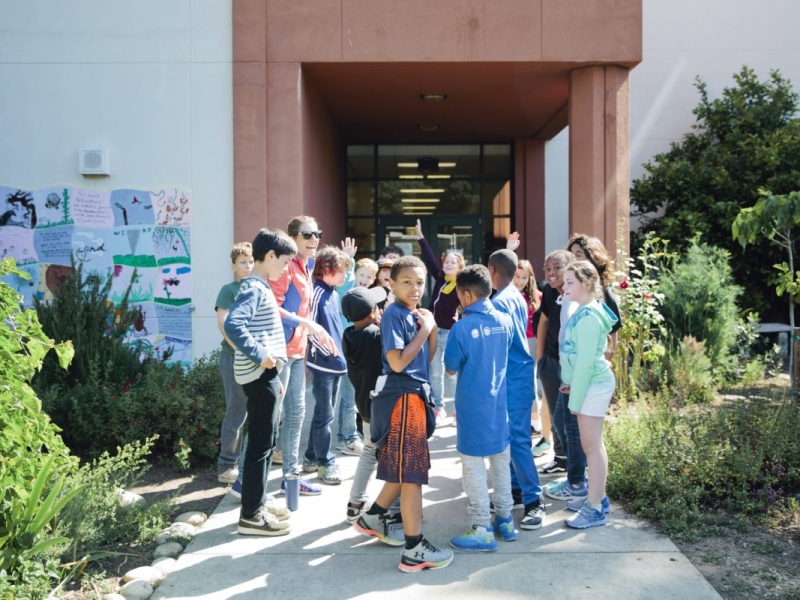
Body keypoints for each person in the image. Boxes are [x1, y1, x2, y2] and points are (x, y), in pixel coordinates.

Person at [353, 256, 454, 573]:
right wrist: (425, 330)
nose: (414, 288)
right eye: (407, 282)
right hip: (403, 398)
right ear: (392, 285)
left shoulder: (413, 314)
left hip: (414, 396)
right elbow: (398, 362)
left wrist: (429, 327)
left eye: (420, 282)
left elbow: (426, 357)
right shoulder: (395, 314)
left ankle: (373, 517)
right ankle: (414, 549)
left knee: (405, 469)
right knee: (412, 476)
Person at [223, 228, 295, 536]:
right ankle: (251, 516)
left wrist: (274, 373)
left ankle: (257, 503)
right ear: (270, 256)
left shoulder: (260, 286)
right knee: (260, 446)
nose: (286, 268)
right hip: (259, 373)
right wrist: (262, 356)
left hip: (266, 375)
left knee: (265, 443)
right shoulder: (255, 288)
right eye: (285, 261)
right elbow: (233, 324)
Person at [444, 264, 516, 551]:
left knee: (474, 468)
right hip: (499, 407)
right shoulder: (505, 320)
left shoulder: (461, 327)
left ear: (465, 295)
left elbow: (450, 368)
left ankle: (481, 527)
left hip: (472, 409)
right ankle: (506, 521)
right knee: (501, 464)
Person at [271, 216, 338, 497]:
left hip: (297, 352)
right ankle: (243, 478)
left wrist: (312, 333)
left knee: (296, 415)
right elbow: (272, 307)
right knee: (270, 417)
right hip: (279, 353)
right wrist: (306, 323)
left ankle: (291, 478)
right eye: (307, 234)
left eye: (317, 234)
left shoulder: (307, 266)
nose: (314, 240)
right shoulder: (286, 266)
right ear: (293, 238)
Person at [488, 249, 546, 531]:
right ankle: (516, 490)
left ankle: (534, 499)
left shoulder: (499, 302)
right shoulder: (514, 295)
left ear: (491, 271)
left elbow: (499, 346)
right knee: (512, 439)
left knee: (519, 441)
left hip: (512, 378)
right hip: (517, 376)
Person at [558, 261, 617, 528]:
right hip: (589, 384)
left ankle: (594, 509)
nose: (564, 287)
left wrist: (575, 399)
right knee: (594, 446)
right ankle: (598, 498)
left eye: (570, 282)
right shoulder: (586, 311)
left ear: (587, 283)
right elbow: (580, 358)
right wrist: (571, 383)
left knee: (591, 448)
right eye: (565, 282)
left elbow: (585, 364)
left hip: (594, 385)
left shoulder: (589, 317)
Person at [341, 285, 403, 526]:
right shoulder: (375, 335)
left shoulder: (349, 335)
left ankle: (355, 503)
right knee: (396, 455)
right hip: (384, 407)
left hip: (365, 408)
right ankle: (397, 506)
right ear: (372, 312)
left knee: (369, 452)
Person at [302, 246, 351, 485]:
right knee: (325, 416)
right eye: (342, 271)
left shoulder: (333, 293)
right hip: (324, 365)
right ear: (327, 269)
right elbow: (310, 330)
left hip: (337, 364)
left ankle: (311, 457)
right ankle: (325, 463)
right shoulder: (317, 292)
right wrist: (328, 355)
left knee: (324, 414)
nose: (345, 276)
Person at [415, 219, 464, 425]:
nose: (448, 264)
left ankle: (458, 412)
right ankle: (439, 407)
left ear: (460, 267)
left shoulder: (461, 285)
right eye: (447, 261)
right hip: (433, 330)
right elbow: (429, 259)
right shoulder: (441, 279)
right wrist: (421, 237)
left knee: (452, 372)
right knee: (435, 371)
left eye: (453, 262)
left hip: (450, 331)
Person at [215, 242, 254, 485]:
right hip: (233, 357)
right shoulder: (228, 290)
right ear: (233, 266)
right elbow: (223, 324)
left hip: (257, 359)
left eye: (251, 262)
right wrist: (242, 350)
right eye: (243, 262)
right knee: (236, 412)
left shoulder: (258, 288)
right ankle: (226, 466)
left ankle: (248, 461)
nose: (248, 266)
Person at [536, 250, 575, 479]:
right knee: (555, 413)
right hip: (551, 361)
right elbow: (544, 321)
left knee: (569, 417)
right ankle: (561, 458)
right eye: (548, 268)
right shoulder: (550, 291)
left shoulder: (579, 293)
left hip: (572, 367)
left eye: (557, 268)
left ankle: (576, 465)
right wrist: (540, 359)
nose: (551, 272)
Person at [566, 234, 622, 361]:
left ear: (592, 259)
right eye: (571, 254)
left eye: (578, 254)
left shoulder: (603, 292)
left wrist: (603, 363)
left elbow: (612, 332)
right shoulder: (562, 289)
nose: (573, 259)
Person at [514, 259, 550, 457]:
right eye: (516, 276)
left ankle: (535, 421)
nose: (520, 281)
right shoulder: (508, 295)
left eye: (524, 277)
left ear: (530, 278)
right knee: (520, 383)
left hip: (533, 341)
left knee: (530, 381)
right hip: (515, 343)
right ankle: (531, 420)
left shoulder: (538, 296)